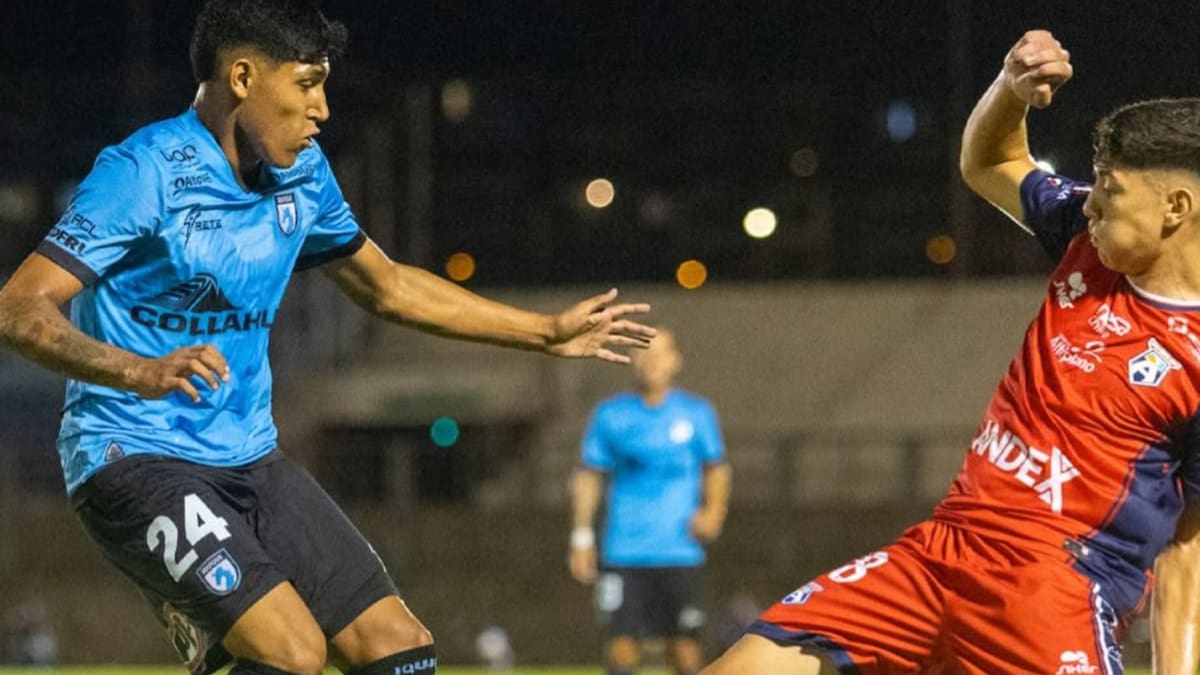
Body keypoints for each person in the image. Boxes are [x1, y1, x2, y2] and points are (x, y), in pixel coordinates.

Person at [0, 2, 656, 674]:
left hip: (250, 459)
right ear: (244, 77)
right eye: (308, 84)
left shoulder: (303, 174)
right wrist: (136, 369)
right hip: (132, 456)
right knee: (293, 651)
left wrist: (543, 332)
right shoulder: (143, 173)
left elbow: (387, 286)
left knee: (399, 647)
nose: (323, 110)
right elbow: (19, 308)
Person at [702, 29, 1200, 675]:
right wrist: (1009, 91)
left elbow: (1188, 548)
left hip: (1052, 585)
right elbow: (989, 162)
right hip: (939, 553)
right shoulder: (1085, 235)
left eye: (1111, 192)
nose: (1091, 203)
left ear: (1176, 208)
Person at [568, 329, 732, 675]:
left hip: (680, 552)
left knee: (686, 651)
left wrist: (714, 511)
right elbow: (589, 475)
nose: (653, 359)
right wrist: (581, 537)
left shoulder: (696, 413)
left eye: (662, 352)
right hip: (623, 551)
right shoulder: (611, 415)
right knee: (621, 650)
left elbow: (716, 469)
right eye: (645, 351)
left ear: (676, 360)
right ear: (634, 360)